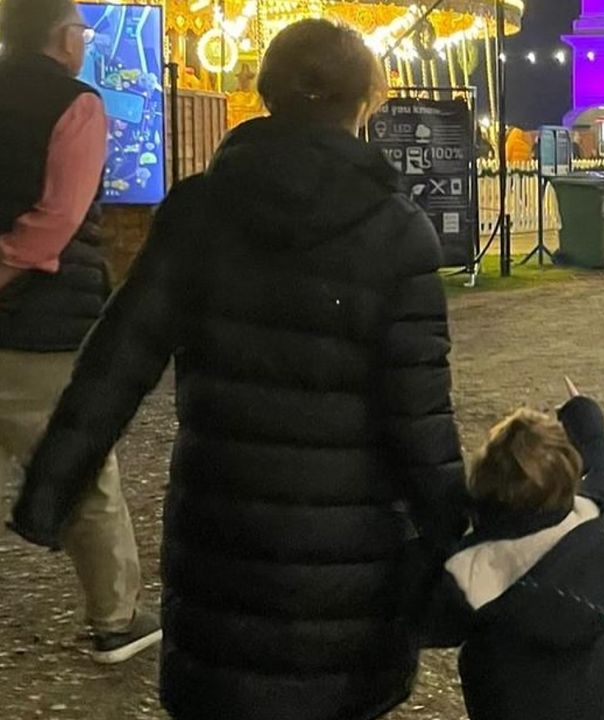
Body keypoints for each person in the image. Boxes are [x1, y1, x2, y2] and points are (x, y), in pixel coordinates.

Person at [10, 19, 467, 720]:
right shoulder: (395, 232)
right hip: (346, 561)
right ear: (363, 103)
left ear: (267, 94)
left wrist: (51, 487)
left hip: (224, 541)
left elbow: (117, 361)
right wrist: (457, 539)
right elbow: (421, 417)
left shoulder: (199, 210)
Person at [0, 0, 161, 665]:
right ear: (65, 39)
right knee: (78, 464)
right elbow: (58, 215)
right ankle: (115, 617)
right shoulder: (77, 105)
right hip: (42, 318)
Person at [424, 382, 604, 720]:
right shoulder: (596, 516)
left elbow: (425, 621)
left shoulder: (473, 573)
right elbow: (602, 463)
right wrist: (583, 413)